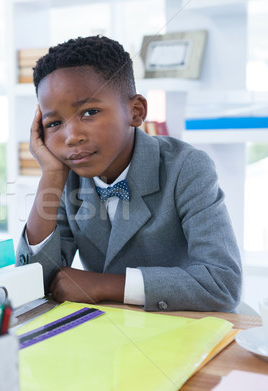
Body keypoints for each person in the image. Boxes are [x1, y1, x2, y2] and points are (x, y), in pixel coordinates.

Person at [16, 35, 242, 312]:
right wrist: (50, 175)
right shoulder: (66, 177)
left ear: (136, 111)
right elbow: (34, 282)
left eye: (89, 112)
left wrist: (104, 285)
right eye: (54, 123)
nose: (72, 137)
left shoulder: (187, 167)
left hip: (182, 326)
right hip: (110, 331)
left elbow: (222, 283)